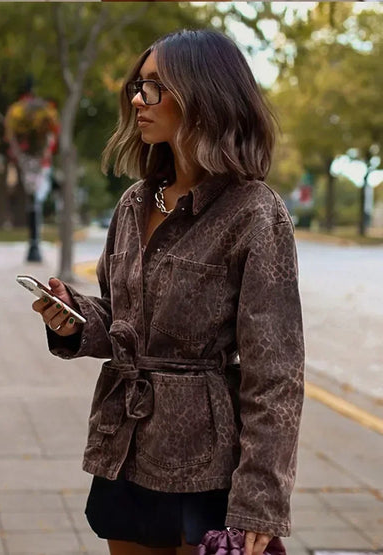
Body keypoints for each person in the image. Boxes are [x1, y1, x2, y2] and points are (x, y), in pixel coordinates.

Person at [32, 29, 304, 555]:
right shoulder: (135, 202)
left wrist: (260, 501)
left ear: (203, 95)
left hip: (202, 464)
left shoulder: (254, 212)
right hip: (123, 447)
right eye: (139, 84)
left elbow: (277, 375)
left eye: (154, 86)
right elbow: (121, 316)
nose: (137, 98)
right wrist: (76, 319)